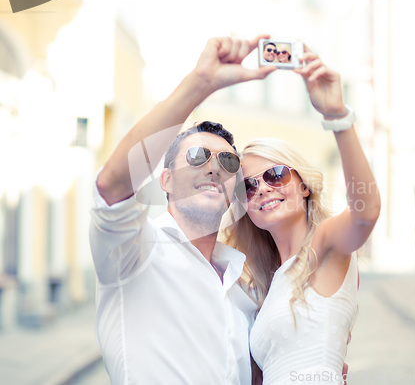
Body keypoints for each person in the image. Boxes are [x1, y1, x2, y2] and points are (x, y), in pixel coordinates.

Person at [89, 35, 277, 385]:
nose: (213, 167)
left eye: (227, 160)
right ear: (166, 180)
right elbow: (112, 186)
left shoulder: (242, 287)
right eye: (196, 156)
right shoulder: (134, 253)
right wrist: (200, 84)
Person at [223, 46, 381, 384]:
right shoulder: (271, 283)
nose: (262, 188)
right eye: (247, 187)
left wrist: (338, 117)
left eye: (275, 174)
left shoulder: (325, 244)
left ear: (304, 185)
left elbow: (365, 213)